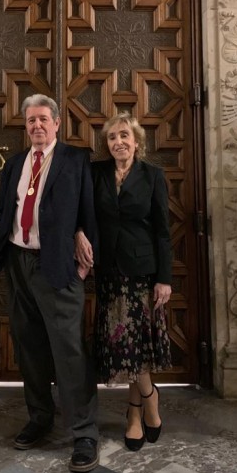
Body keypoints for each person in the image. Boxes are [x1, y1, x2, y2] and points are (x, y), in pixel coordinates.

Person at [0, 94, 99, 473]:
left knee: (68, 350)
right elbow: (6, 209)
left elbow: (88, 210)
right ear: (25, 125)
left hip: (58, 266)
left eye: (44, 119)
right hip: (19, 262)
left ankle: (83, 433)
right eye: (31, 120)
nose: (37, 126)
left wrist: (82, 237)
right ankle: (39, 417)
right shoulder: (15, 163)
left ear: (57, 123)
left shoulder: (76, 160)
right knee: (28, 344)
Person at [75, 112, 172, 452]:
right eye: (113, 137)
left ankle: (140, 408)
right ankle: (146, 400)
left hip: (142, 274)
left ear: (136, 141)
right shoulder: (96, 173)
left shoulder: (153, 176)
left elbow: (162, 232)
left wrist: (164, 279)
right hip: (109, 273)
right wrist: (79, 233)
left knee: (136, 345)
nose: (118, 142)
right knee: (126, 347)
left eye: (124, 136)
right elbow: (82, 211)